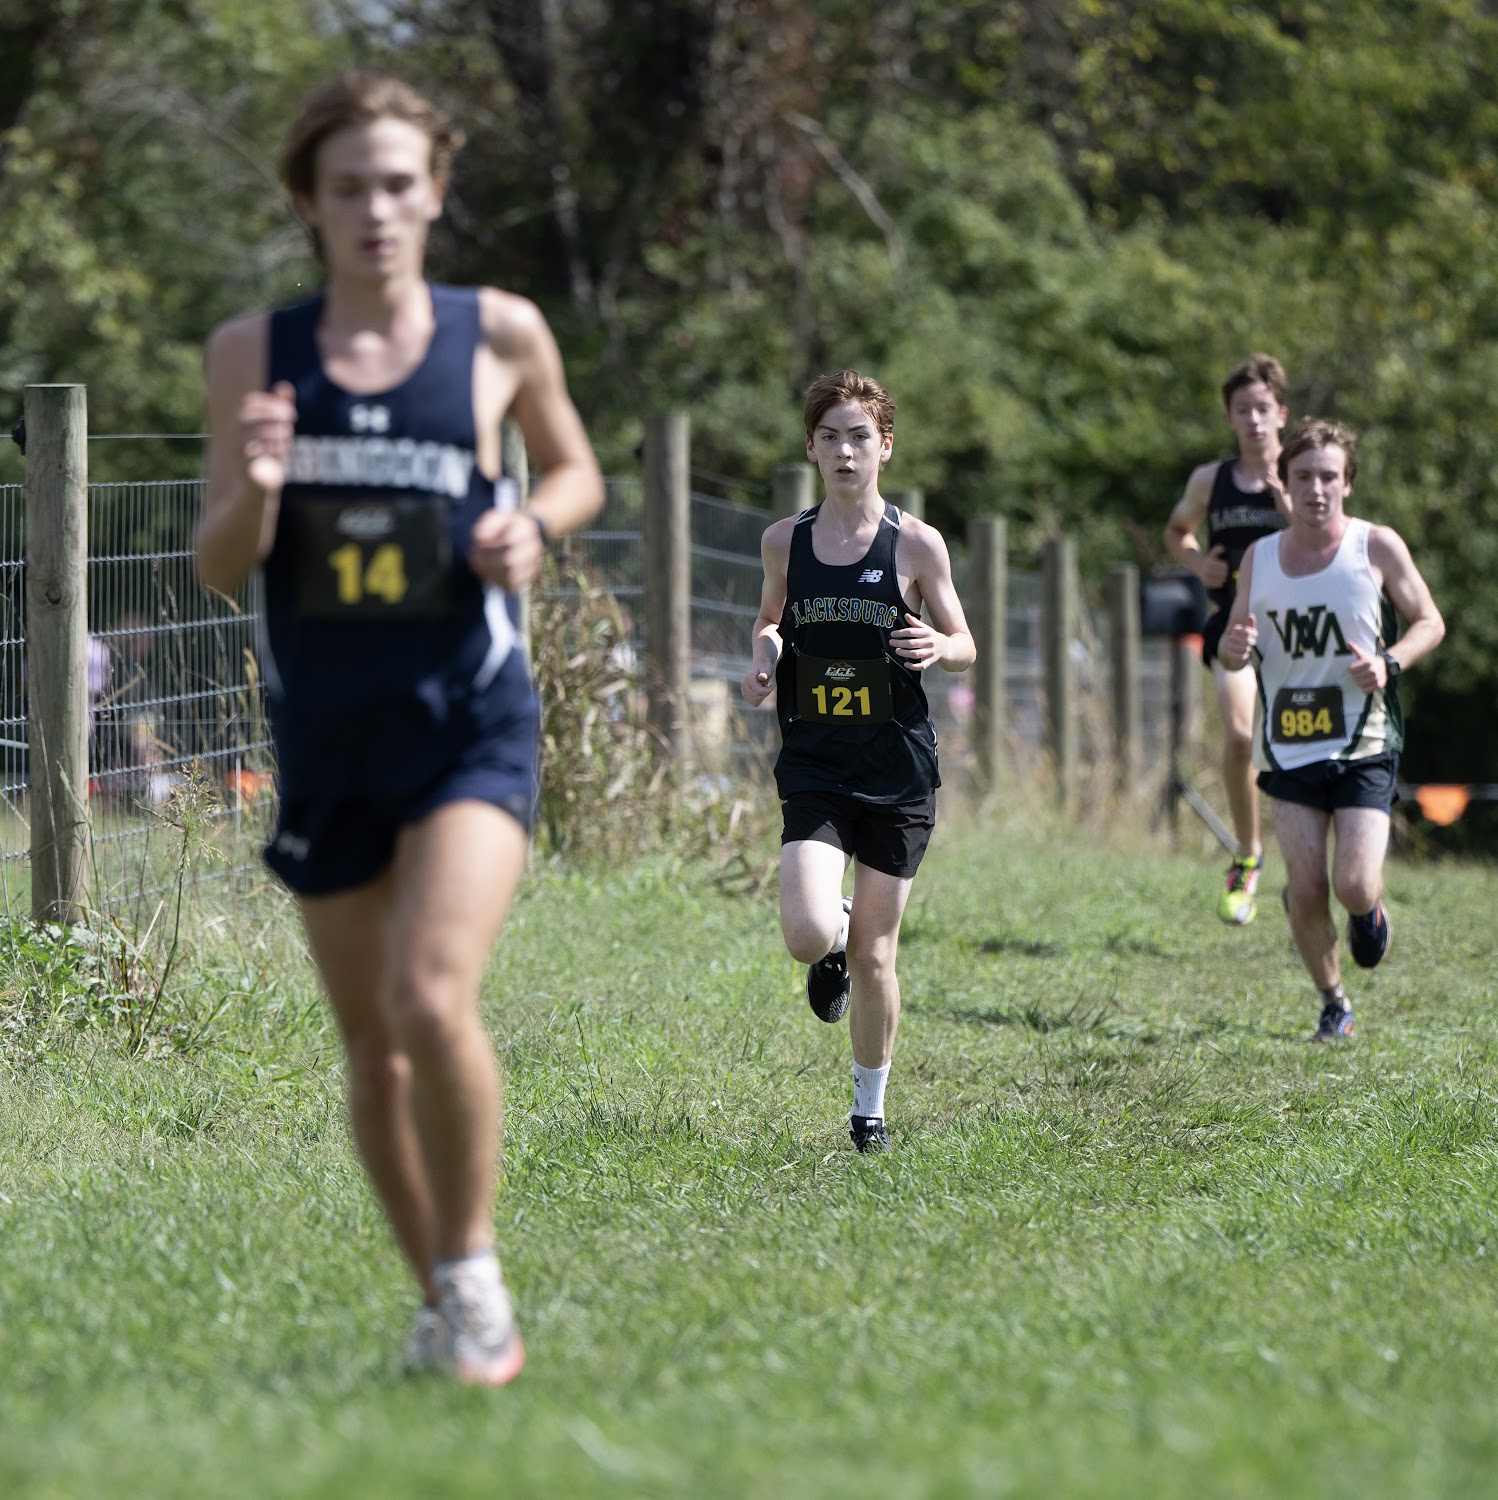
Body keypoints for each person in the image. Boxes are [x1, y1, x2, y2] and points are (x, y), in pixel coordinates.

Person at [195, 72, 604, 1384]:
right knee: (371, 1046)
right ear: (306, 203)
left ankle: (475, 1274)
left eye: (396, 183)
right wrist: (261, 487)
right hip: (327, 734)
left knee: (431, 997)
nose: (375, 209)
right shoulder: (254, 352)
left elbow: (575, 470)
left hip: (469, 719)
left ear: (434, 191)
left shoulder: (499, 334)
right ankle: (437, 1300)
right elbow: (218, 564)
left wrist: (528, 525)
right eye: (348, 187)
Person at [741, 371, 975, 1152]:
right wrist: (764, 657)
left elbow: (966, 643)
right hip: (816, 760)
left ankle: (868, 1111)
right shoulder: (784, 541)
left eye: (860, 437)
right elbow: (770, 619)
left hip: (896, 769)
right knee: (808, 932)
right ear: (811, 447)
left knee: (879, 955)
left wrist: (940, 646)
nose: (846, 451)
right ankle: (832, 940)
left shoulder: (916, 544)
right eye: (831, 437)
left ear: (886, 447)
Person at [1218, 418, 1443, 1042]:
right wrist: (1234, 648)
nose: (1316, 489)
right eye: (1303, 477)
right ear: (1285, 484)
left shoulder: (1377, 546)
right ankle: (1333, 1003)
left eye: (1328, 476)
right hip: (1289, 745)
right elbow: (1236, 647)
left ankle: (1368, 910)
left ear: (1347, 482)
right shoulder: (1259, 558)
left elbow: (1429, 621)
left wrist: (1389, 662)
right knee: (1307, 887)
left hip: (1364, 740)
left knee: (1352, 884)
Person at [1163, 354, 1292, 924]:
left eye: (1263, 408)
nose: (1254, 420)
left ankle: (1316, 864)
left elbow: (1336, 543)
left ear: (1281, 413)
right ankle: (1248, 855)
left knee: (1296, 747)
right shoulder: (1210, 480)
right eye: (1243, 410)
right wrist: (1199, 565)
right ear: (1230, 418)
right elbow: (1177, 531)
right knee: (1240, 736)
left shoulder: (1305, 475)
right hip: (1233, 624)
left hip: (1297, 630)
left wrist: (1291, 508)